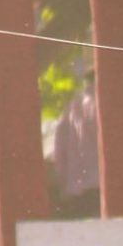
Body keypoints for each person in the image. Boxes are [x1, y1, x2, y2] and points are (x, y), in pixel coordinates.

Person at [53, 69, 100, 220]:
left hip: (78, 189)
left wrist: (64, 185)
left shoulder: (72, 107)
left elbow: (59, 152)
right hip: (105, 187)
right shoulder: (108, 101)